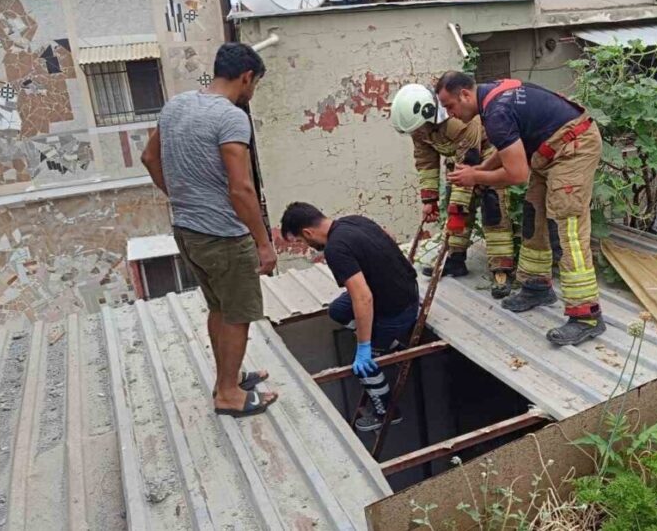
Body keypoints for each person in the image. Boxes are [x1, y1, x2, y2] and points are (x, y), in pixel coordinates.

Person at [141, 42, 278, 418]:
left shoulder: (176, 105)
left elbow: (149, 158)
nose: (252, 92)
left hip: (187, 231)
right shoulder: (232, 118)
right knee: (238, 313)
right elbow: (241, 188)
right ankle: (229, 395)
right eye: (255, 84)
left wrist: (181, 197)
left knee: (219, 307)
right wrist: (264, 243)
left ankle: (226, 380)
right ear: (246, 77)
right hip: (224, 236)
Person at [437, 72, 605, 346]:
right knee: (533, 215)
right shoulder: (492, 99)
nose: (449, 114)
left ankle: (586, 316)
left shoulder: (496, 113)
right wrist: (481, 169)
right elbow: (508, 147)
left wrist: (475, 176)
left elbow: (517, 175)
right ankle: (537, 287)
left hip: (573, 148)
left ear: (465, 95)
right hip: (549, 152)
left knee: (568, 228)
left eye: (450, 106)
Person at [279, 202, 419, 433]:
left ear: (307, 232)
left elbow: (363, 297)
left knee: (364, 366)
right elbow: (389, 237)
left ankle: (387, 412)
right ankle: (390, 344)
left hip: (397, 311)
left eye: (302, 241)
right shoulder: (355, 220)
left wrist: (364, 346)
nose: (306, 245)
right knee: (338, 310)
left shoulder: (335, 249)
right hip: (405, 290)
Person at [390, 83, 516, 298]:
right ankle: (455, 260)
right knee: (456, 212)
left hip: (487, 158)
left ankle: (501, 270)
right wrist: (429, 199)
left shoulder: (458, 122)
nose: (417, 133)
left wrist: (458, 205)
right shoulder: (419, 127)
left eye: (418, 129)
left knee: (493, 211)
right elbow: (426, 161)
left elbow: (469, 160)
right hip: (459, 163)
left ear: (428, 113)